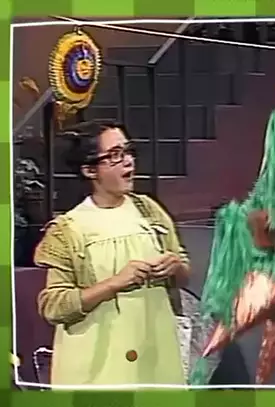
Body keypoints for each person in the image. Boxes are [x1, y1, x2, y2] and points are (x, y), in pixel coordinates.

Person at [32, 120, 191, 385]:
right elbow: (53, 306)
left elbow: (184, 274)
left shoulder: (148, 210)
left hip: (154, 356)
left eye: (128, 151)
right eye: (115, 155)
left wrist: (175, 266)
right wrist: (115, 283)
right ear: (89, 170)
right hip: (98, 367)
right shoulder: (68, 229)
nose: (128, 162)